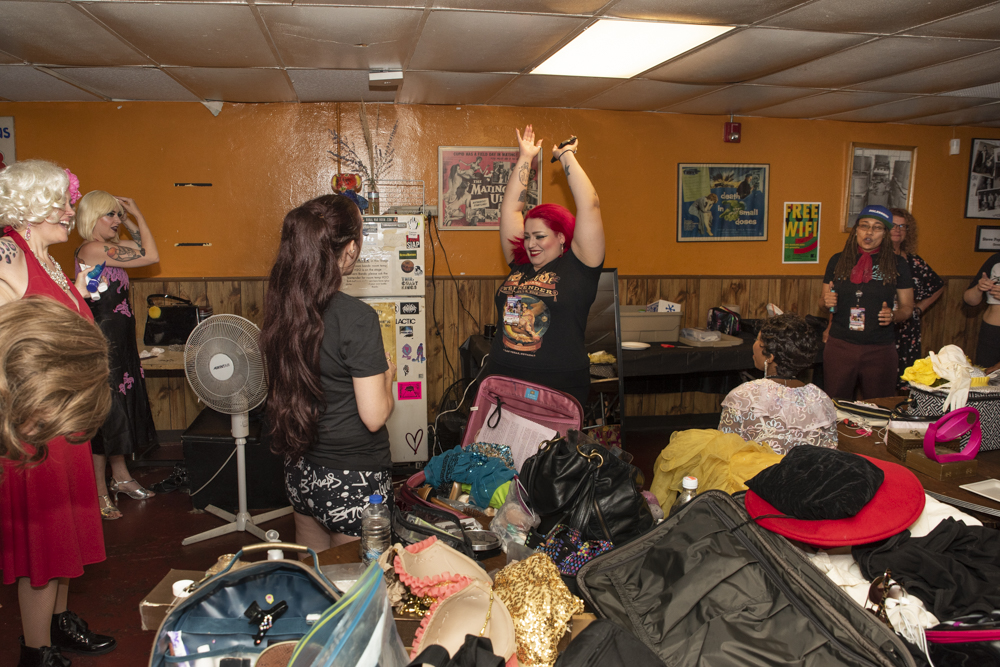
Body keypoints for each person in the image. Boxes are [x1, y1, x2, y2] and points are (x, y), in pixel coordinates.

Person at [0, 160, 116, 666]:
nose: (72, 211)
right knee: (43, 548)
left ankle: (59, 622)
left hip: (67, 425)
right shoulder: (7, 252)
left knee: (65, 534)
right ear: (31, 206)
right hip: (36, 428)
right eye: (63, 203)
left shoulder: (47, 260)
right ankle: (35, 651)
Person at [260, 194, 396, 554]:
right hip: (351, 477)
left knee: (315, 571)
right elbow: (374, 416)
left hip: (300, 468)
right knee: (358, 582)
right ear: (349, 250)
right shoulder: (357, 317)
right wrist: (388, 378)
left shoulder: (283, 308)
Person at [489, 125, 605, 406]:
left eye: (540, 236)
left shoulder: (581, 265)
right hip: (504, 380)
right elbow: (511, 209)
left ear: (562, 237)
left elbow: (589, 205)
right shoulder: (520, 264)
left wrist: (566, 155)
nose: (531, 244)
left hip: (557, 387)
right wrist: (526, 157)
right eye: (527, 236)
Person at [75, 190, 161, 519]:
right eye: (109, 214)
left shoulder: (106, 248)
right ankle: (98, 491)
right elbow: (150, 256)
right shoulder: (92, 249)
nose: (116, 220)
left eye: (118, 214)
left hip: (120, 343)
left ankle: (121, 478)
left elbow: (143, 248)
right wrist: (136, 215)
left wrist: (131, 220)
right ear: (92, 217)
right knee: (104, 419)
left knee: (119, 413)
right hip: (102, 345)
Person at [822, 205, 915, 400]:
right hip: (840, 346)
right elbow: (823, 301)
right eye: (864, 225)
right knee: (835, 405)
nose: (869, 232)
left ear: (885, 233)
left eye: (877, 227)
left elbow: (907, 308)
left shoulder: (898, 264)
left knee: (879, 407)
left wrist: (893, 315)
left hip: (880, 349)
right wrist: (825, 300)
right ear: (856, 229)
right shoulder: (837, 260)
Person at [718, 314, 837, 454]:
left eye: (757, 340)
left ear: (770, 357)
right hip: (807, 468)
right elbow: (828, 453)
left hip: (758, 468)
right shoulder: (821, 399)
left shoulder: (742, 396)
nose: (754, 345)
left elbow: (725, 451)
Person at [889, 208, 944, 388]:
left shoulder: (914, 262)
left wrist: (919, 308)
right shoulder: (872, 260)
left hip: (907, 329)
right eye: (893, 225)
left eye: (902, 226)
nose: (897, 230)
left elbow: (938, 285)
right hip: (881, 326)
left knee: (906, 379)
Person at [964, 250, 1000, 369]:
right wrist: (979, 288)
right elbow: (969, 300)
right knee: (984, 376)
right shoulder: (995, 260)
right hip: (990, 334)